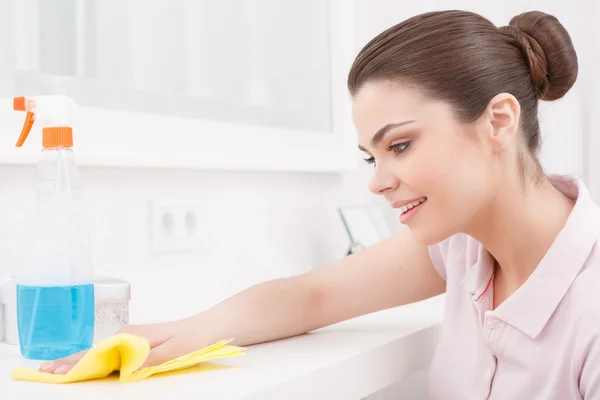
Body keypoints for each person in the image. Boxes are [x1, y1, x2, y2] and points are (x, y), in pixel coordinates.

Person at [40, 9, 599, 399]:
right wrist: (181, 333)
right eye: (370, 158)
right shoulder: (462, 247)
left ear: (498, 120)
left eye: (399, 145)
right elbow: (312, 295)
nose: (378, 182)